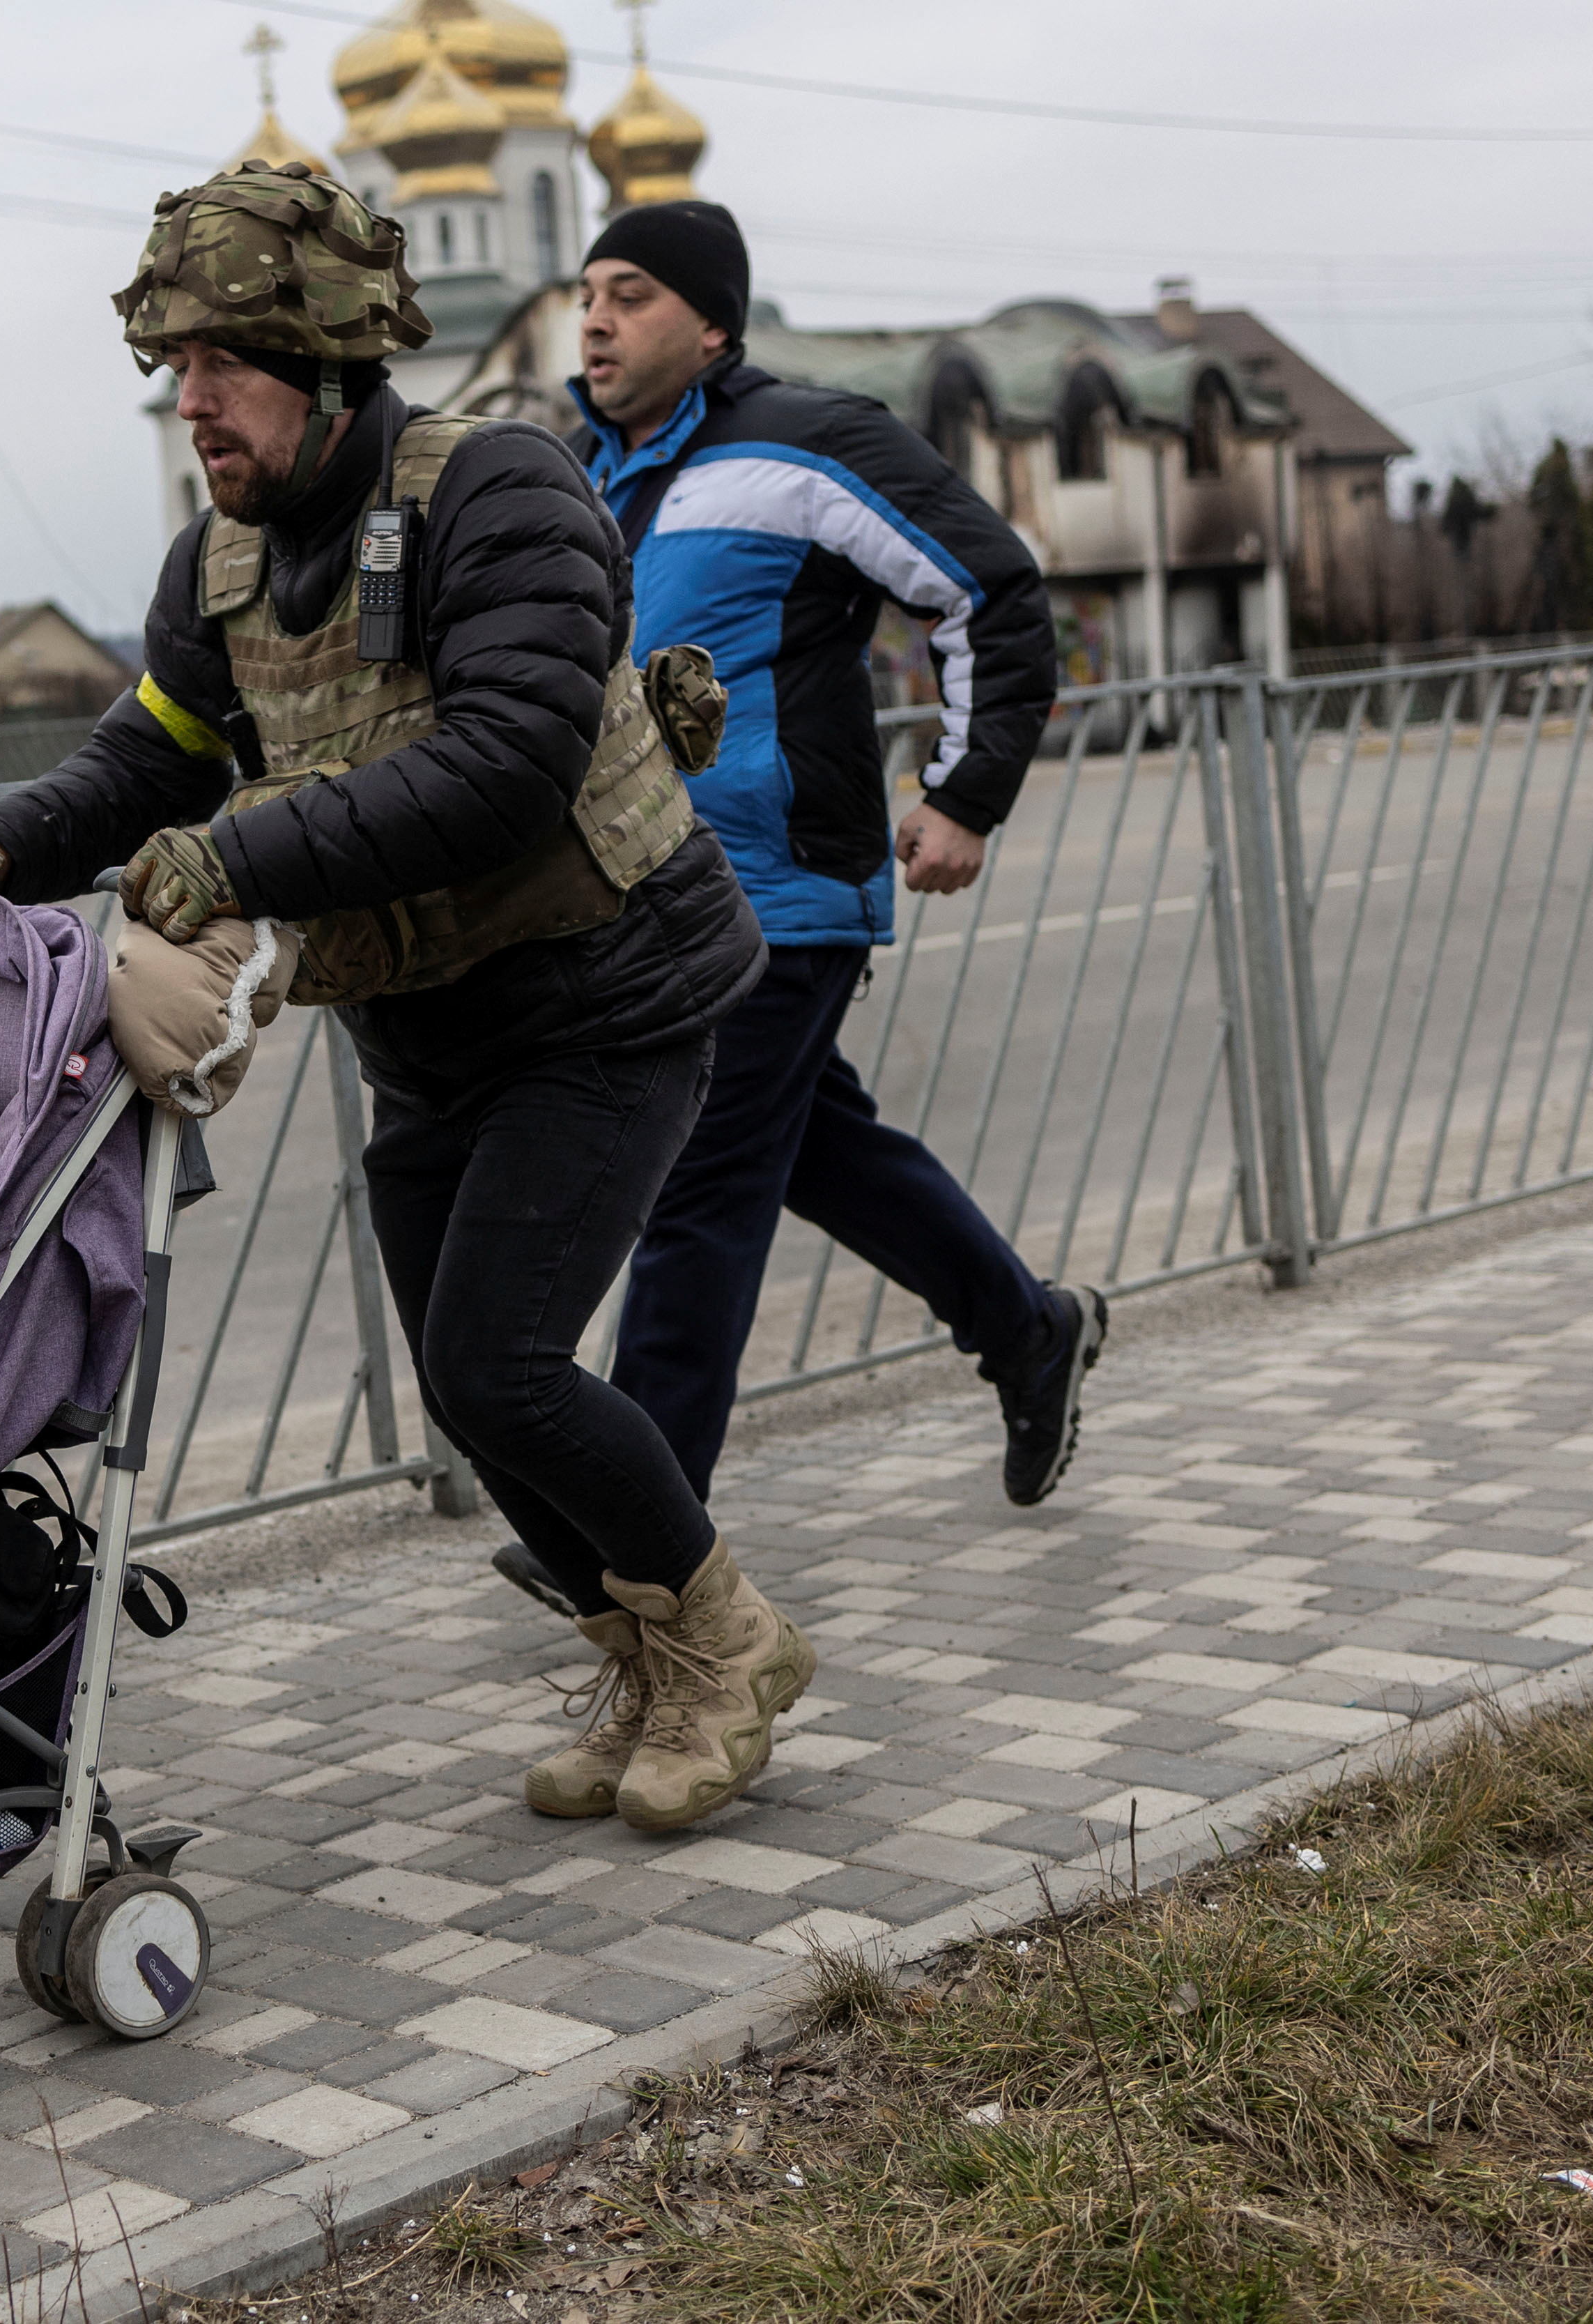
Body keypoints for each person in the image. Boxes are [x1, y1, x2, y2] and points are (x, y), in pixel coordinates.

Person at [0, 162, 808, 1835]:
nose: (192, 406)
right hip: (433, 1032)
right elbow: (149, 754)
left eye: (220, 366)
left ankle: (731, 1644)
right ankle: (648, 1657)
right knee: (471, 1390)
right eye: (175, 373)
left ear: (322, 358)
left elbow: (505, 763)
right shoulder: (220, 564)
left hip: (606, 996)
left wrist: (234, 857)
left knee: (501, 1359)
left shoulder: (499, 492)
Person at [481, 199, 1104, 1623]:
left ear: (710, 321)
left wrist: (965, 793)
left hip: (782, 892)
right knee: (814, 1147)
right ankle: (1027, 1328)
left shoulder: (806, 440)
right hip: (640, 899)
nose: (593, 319)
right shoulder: (585, 472)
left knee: (691, 1191)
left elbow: (989, 591)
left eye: (629, 294)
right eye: (585, 292)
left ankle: (630, 1538)